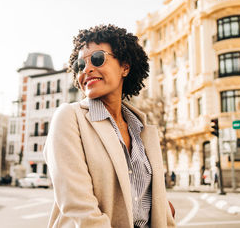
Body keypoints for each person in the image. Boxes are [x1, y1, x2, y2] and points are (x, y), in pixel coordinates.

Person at [44, 24, 176, 228]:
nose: (86, 69)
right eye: (80, 65)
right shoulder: (69, 118)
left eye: (97, 58)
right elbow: (80, 208)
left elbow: (147, 201)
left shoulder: (143, 129)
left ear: (125, 66)